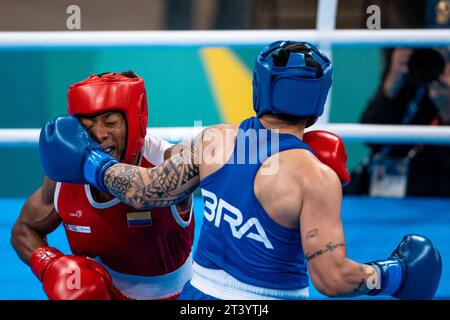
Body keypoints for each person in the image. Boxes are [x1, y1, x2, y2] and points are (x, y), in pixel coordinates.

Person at [38, 42, 441, 300]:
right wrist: (393, 274)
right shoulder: (314, 178)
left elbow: (144, 191)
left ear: (259, 88)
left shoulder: (215, 141)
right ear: (318, 102)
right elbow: (333, 280)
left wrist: (92, 162)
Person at [11, 71, 195, 300]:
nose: (99, 134)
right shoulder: (64, 176)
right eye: (87, 127)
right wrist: (50, 265)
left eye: (110, 122)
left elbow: (148, 191)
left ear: (135, 120)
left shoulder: (169, 161)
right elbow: (24, 228)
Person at [346, 47, 450, 197]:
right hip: (385, 191)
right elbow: (371, 138)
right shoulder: (409, 75)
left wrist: (447, 114)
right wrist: (390, 85)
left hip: (435, 197)